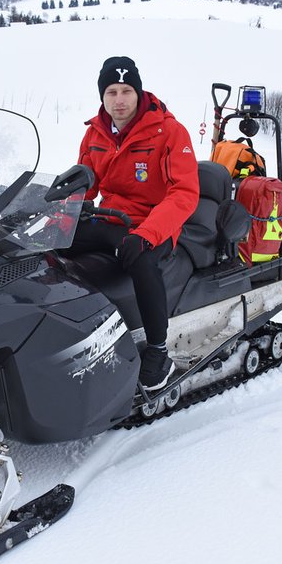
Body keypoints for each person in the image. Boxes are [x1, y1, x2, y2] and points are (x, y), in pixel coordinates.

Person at [68, 56, 200, 391]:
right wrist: (60, 217)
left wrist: (147, 234)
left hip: (153, 224)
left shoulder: (169, 131)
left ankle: (157, 350)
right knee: (53, 245)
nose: (119, 100)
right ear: (102, 96)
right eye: (111, 92)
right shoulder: (95, 133)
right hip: (109, 220)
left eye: (126, 91)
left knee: (138, 258)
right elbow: (84, 186)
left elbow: (184, 193)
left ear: (138, 92)